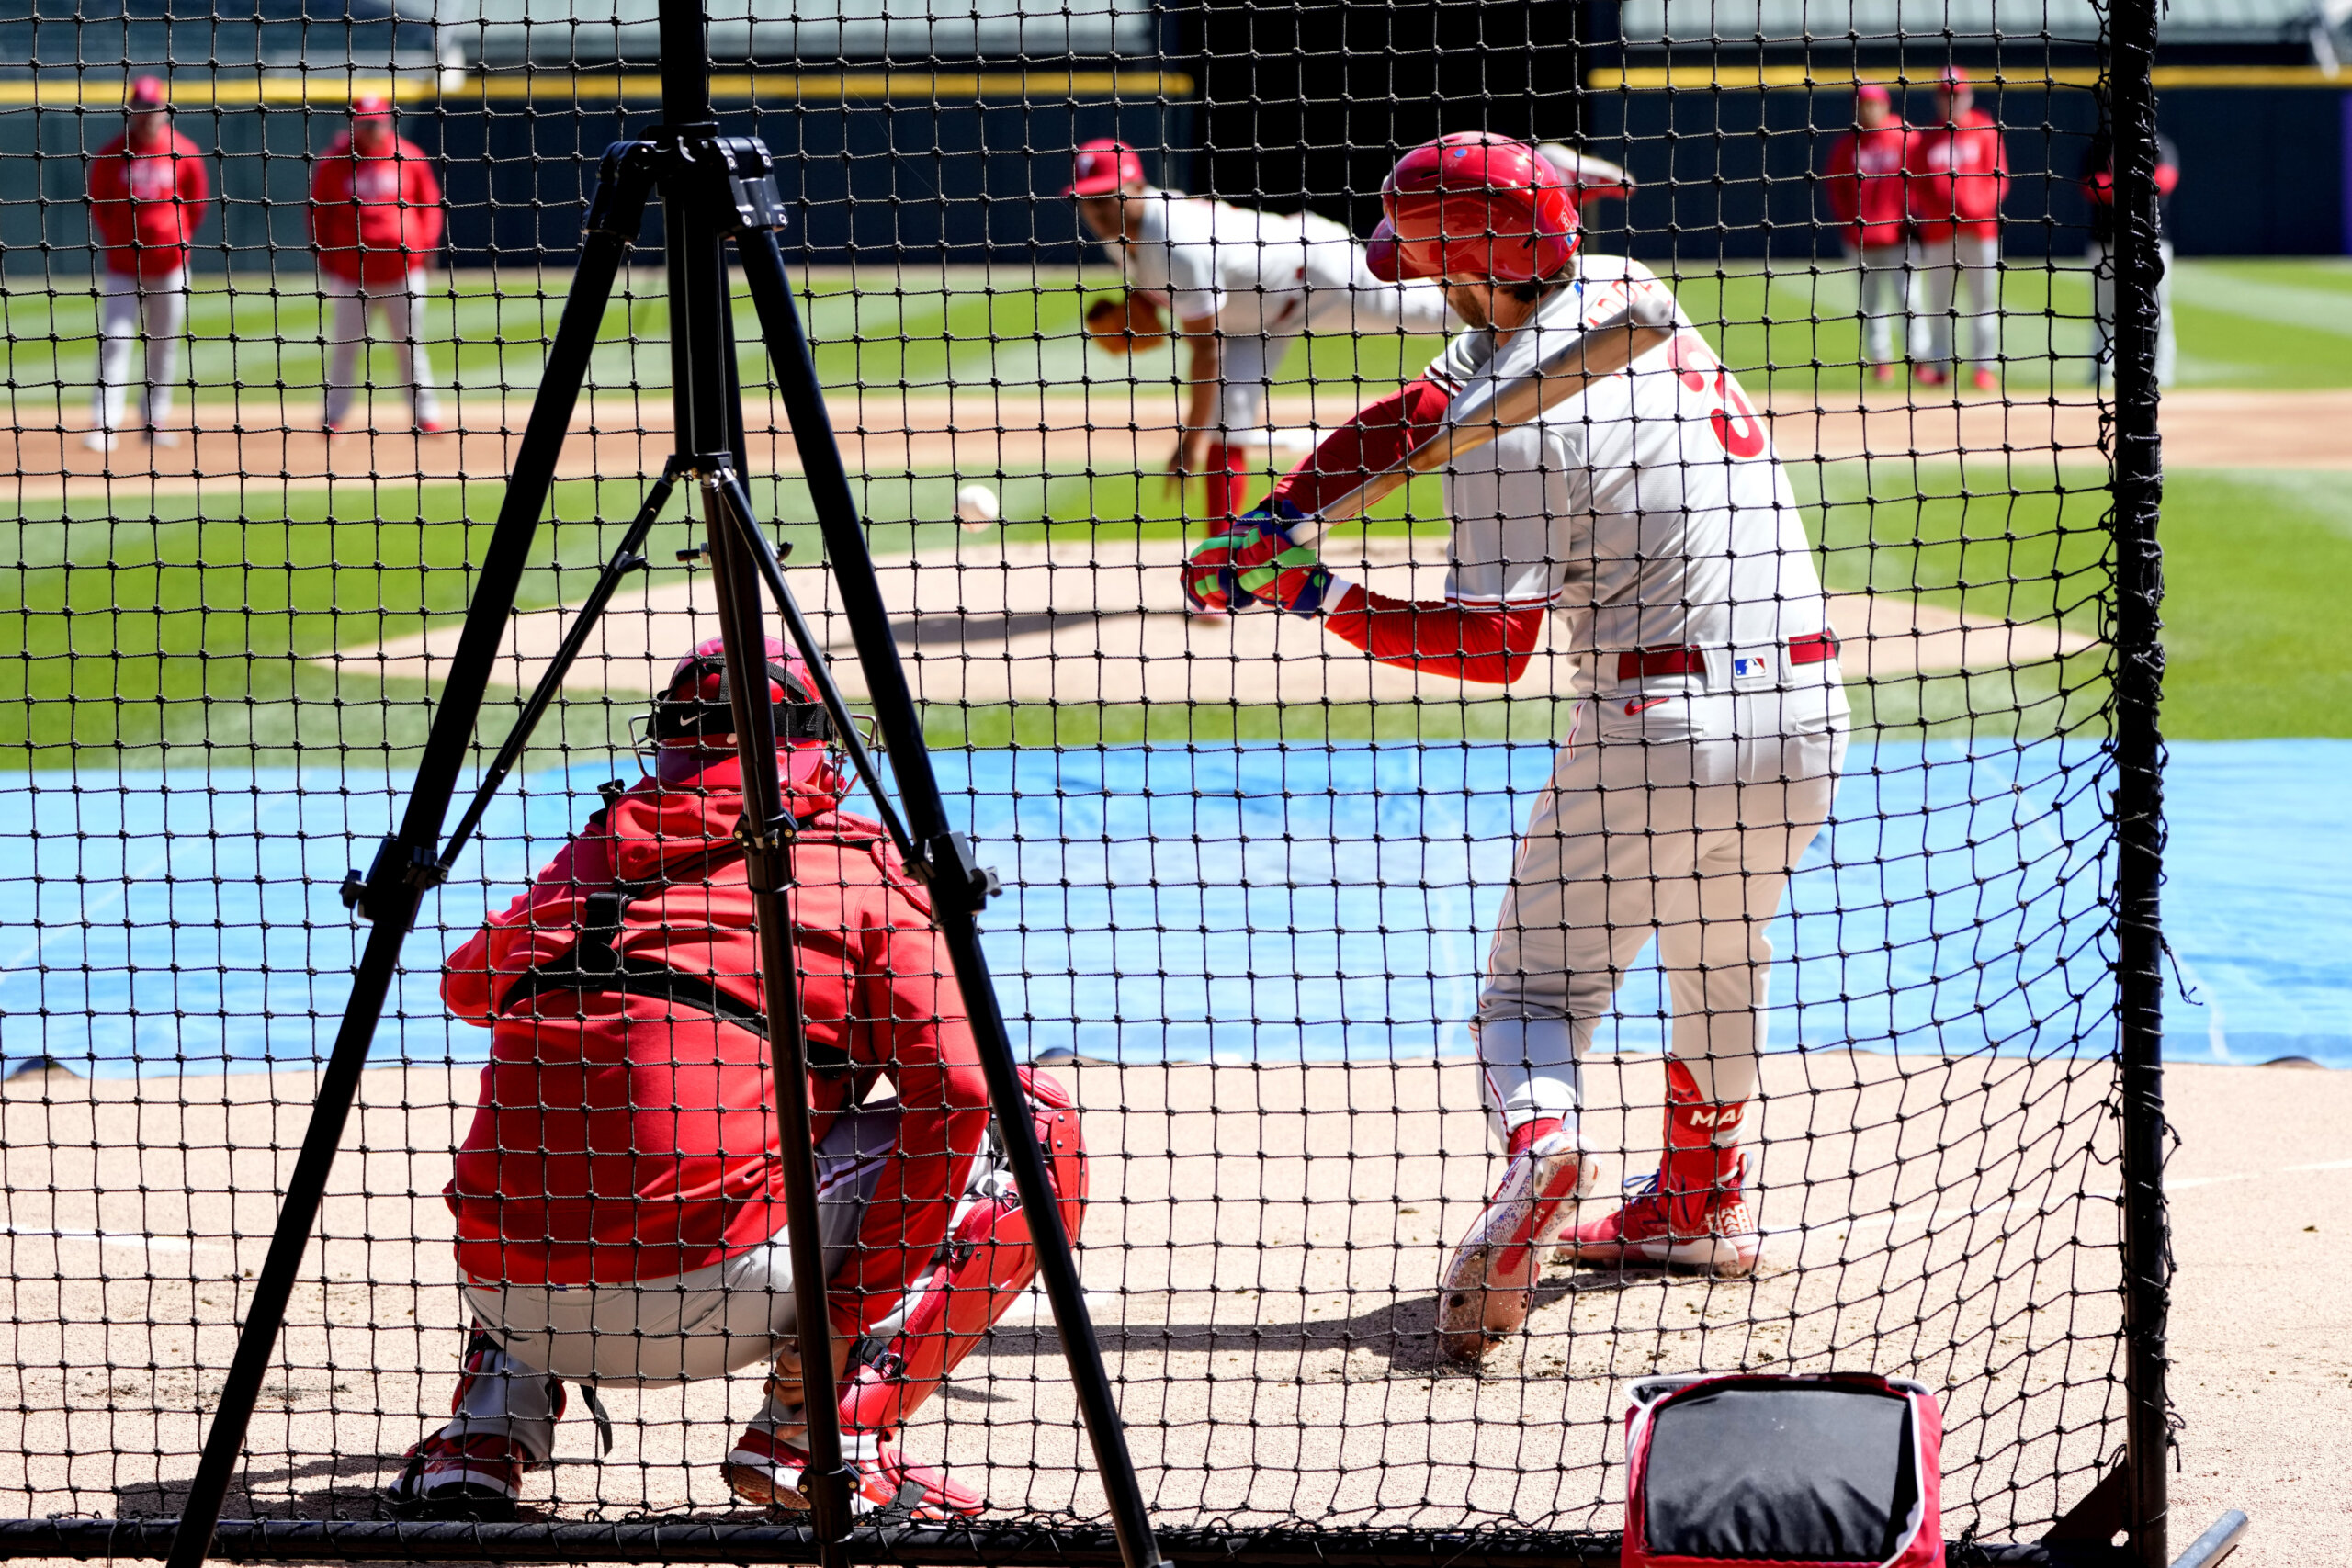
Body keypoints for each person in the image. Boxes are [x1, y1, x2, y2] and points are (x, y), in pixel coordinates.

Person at [1181, 132, 1848, 1363]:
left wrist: (1313, 592)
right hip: (1806, 716)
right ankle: (1699, 1199)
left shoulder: (1511, 440)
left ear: (1461, 266)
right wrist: (1286, 511)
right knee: (1718, 942)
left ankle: (1543, 1145)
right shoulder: (1621, 292)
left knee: (1531, 995)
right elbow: (1415, 411)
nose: (1419, 282)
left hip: (1658, 728)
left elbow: (1491, 652)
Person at [388, 638, 1087, 1518]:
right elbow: (958, 1087)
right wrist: (852, 1306)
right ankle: (821, 1433)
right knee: (1036, 1122)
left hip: (508, 1292)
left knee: (567, 1104)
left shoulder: (592, 854)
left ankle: (480, 1442)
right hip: (715, 1293)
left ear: (672, 737)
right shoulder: (858, 864)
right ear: (816, 741)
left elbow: (466, 987)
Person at [1067, 138, 1453, 524]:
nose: (1096, 210)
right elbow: (1163, 285)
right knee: (1227, 423)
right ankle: (1222, 556)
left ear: (1136, 187)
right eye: (1087, 200)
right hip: (1248, 322)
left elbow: (1206, 351)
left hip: (1316, 276)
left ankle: (1501, 294)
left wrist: (1190, 441)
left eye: (1106, 197)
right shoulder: (1119, 236)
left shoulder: (1174, 240)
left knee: (1440, 313)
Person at [83, 75, 209, 454]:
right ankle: (104, 423)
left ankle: (154, 420)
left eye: (152, 108)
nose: (146, 115)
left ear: (164, 111)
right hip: (123, 267)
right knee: (116, 342)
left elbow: (196, 207)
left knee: (164, 344)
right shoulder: (111, 155)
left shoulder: (184, 152)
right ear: (130, 111)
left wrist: (172, 240)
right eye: (139, 108)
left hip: (171, 266)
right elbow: (100, 206)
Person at [309, 96, 447, 434]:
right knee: (345, 347)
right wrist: (330, 258)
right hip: (351, 275)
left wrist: (423, 248)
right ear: (354, 124)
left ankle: (425, 416)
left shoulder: (409, 156)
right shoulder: (333, 163)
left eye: (378, 122)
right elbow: (318, 215)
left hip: (403, 271)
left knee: (410, 346)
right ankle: (335, 416)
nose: (373, 128)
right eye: (366, 122)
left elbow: (430, 205)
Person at [1905, 68, 2009, 391]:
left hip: (1980, 231)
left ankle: (1983, 366)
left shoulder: (1986, 130)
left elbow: (1999, 180)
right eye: (1947, 93)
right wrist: (1939, 211)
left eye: (1958, 93)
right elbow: (1918, 185)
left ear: (1969, 95)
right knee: (1939, 303)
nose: (1953, 99)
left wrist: (1972, 210)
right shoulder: (1927, 136)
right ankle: (1940, 365)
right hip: (1938, 233)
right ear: (1938, 97)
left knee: (1984, 301)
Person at [1822, 83, 1921, 384]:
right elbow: (1835, 186)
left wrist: (1916, 215)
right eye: (1865, 105)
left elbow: (1922, 178)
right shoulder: (1849, 144)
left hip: (1900, 236)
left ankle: (1919, 360)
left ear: (1886, 104)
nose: (1870, 109)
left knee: (1910, 300)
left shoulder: (1906, 137)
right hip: (1863, 238)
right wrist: (1849, 222)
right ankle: (1881, 361)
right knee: (1872, 303)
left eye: (1875, 104)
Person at [2083, 118, 2180, 389]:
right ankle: (2101, 372)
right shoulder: (2100, 145)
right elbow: (2091, 186)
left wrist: (2120, 183)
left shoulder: (2159, 142)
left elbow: (2166, 180)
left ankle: (2163, 372)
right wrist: (2133, 183)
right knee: (2104, 311)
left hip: (2152, 242)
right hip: (2105, 242)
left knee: (2158, 309)